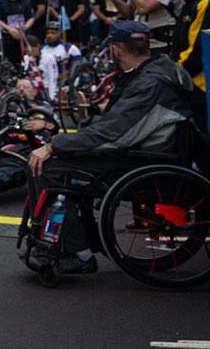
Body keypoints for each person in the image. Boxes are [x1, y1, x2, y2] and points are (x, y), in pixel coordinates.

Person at [25, 20, 196, 276]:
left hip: (142, 162)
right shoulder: (164, 69)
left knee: (49, 168)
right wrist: (95, 111)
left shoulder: (149, 84)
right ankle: (71, 237)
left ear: (116, 48)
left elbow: (113, 134)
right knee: (68, 157)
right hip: (156, 152)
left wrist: (54, 145)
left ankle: (76, 253)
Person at [168, 0, 210, 118]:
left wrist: (177, 73)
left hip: (199, 85)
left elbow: (198, 48)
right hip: (189, 82)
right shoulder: (189, 1)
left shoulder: (204, 2)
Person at [0, 0, 34, 67]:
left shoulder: (26, 2)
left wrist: (24, 28)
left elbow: (31, 17)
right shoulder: (2, 3)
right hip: (8, 34)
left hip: (23, 33)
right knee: (11, 58)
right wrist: (10, 29)